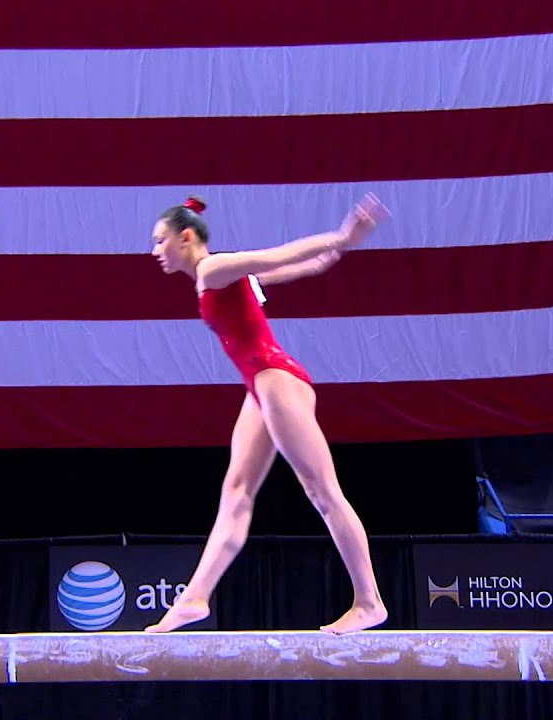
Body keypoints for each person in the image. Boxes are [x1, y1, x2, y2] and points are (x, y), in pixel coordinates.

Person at [144, 192, 390, 635]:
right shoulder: (218, 278)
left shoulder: (213, 270)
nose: (154, 251)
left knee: (322, 491)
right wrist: (335, 251)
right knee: (236, 492)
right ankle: (194, 598)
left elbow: (276, 254)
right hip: (260, 386)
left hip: (276, 379)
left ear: (186, 237)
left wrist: (341, 236)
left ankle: (369, 602)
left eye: (160, 241)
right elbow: (297, 268)